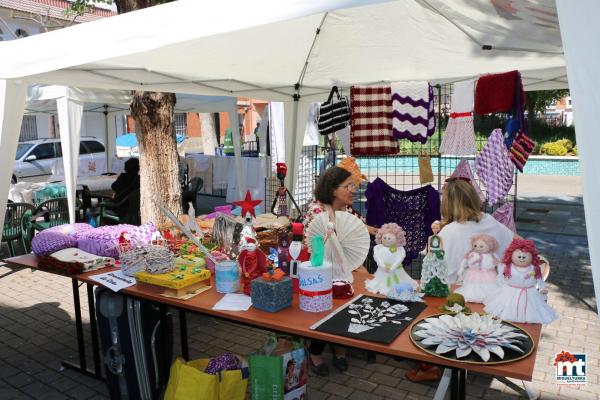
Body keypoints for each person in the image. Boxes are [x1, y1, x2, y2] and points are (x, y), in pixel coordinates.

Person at [406, 177, 516, 382]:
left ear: (447, 203)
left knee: (426, 305)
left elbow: (439, 274)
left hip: (460, 299)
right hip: (496, 296)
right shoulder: (491, 222)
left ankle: (433, 364)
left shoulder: (449, 232)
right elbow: (516, 244)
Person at [302, 166, 377, 377]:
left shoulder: (347, 210)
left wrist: (383, 232)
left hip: (345, 270)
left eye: (353, 185)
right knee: (326, 308)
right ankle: (315, 351)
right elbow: (315, 249)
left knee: (347, 304)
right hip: (322, 270)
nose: (353, 190)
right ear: (334, 190)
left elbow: (362, 229)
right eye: (348, 186)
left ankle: (339, 346)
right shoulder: (317, 211)